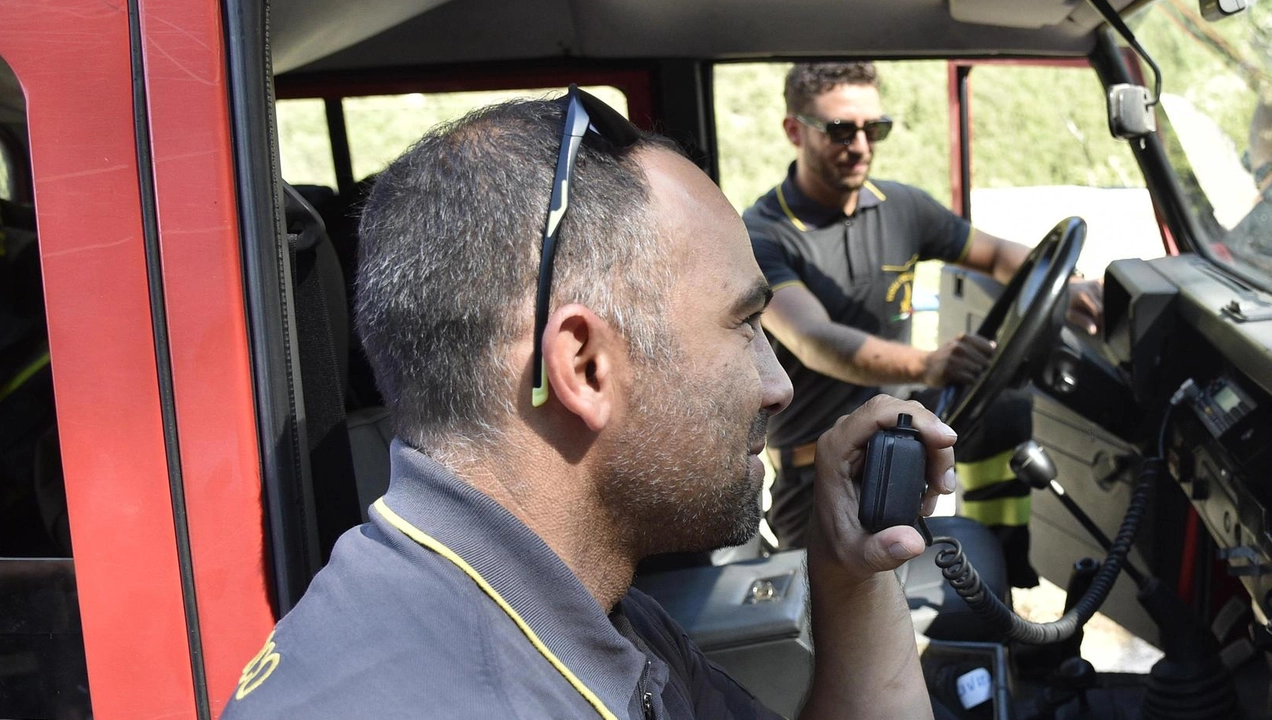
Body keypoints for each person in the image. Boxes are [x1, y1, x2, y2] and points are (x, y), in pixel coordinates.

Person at [220, 88, 960, 719]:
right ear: (583, 365)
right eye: (744, 325)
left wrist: (851, 574)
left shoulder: (578, 601)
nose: (779, 386)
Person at [744, 62, 1103, 585]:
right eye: (842, 130)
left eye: (876, 129)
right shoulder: (764, 234)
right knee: (839, 625)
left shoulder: (903, 207)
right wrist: (929, 364)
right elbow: (816, 340)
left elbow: (1000, 255)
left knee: (1010, 409)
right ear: (794, 130)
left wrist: (1064, 284)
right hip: (824, 466)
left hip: (908, 441)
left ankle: (1012, 576)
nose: (861, 145)